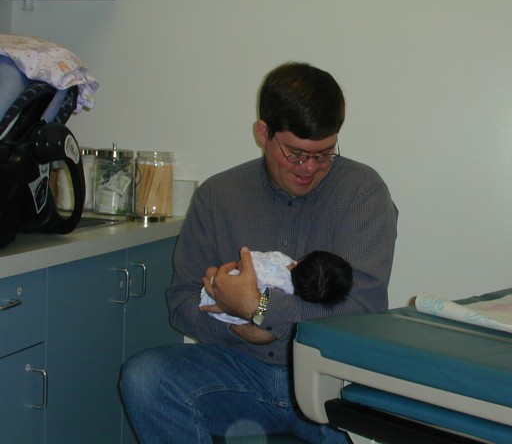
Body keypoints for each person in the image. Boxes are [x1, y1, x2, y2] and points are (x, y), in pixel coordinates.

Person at [119, 62, 399, 443]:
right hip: (240, 369)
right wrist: (244, 331)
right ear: (263, 132)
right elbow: (182, 300)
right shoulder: (218, 196)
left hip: (325, 379)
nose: (311, 168)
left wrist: (261, 309)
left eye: (325, 154)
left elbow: (362, 310)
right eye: (296, 154)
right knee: (144, 376)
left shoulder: (362, 192)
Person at [200, 250, 354, 324]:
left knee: (211, 271)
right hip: (230, 318)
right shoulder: (285, 297)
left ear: (302, 260)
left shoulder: (279, 259)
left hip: (216, 292)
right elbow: (259, 314)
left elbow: (244, 261)